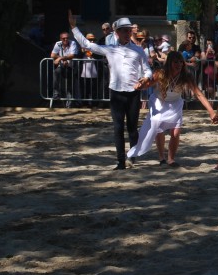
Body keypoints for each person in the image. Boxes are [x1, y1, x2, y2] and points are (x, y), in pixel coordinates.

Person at [69, 11, 152, 170]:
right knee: (118, 127)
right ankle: (121, 161)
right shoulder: (110, 49)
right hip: (116, 92)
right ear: (117, 32)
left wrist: (145, 78)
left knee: (132, 128)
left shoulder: (139, 50)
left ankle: (132, 156)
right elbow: (88, 45)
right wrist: (74, 28)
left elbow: (147, 70)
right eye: (124, 30)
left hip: (133, 93)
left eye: (129, 30)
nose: (128, 33)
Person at [127, 52, 215, 167]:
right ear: (169, 63)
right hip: (159, 102)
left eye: (180, 62)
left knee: (176, 132)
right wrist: (140, 85)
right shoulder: (160, 73)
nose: (178, 65)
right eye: (175, 62)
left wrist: (211, 112)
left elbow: (198, 94)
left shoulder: (186, 76)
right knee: (158, 127)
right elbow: (147, 85)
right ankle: (161, 157)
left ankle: (171, 158)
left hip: (175, 103)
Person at [51, 31, 80, 108]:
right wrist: (62, 60)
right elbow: (52, 55)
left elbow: (72, 55)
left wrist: (60, 58)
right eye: (63, 39)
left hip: (71, 67)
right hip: (62, 66)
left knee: (70, 85)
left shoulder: (72, 43)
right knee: (56, 72)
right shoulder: (58, 44)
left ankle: (70, 103)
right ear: (61, 39)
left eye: (67, 38)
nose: (65, 40)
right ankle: (56, 93)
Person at [80, 33, 100, 105]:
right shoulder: (82, 47)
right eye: (90, 40)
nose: (92, 41)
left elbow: (99, 56)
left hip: (94, 72)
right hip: (84, 72)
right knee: (85, 88)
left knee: (94, 88)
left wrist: (92, 52)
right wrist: (83, 50)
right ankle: (84, 103)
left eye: (93, 40)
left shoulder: (97, 48)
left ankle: (94, 103)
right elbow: (77, 55)